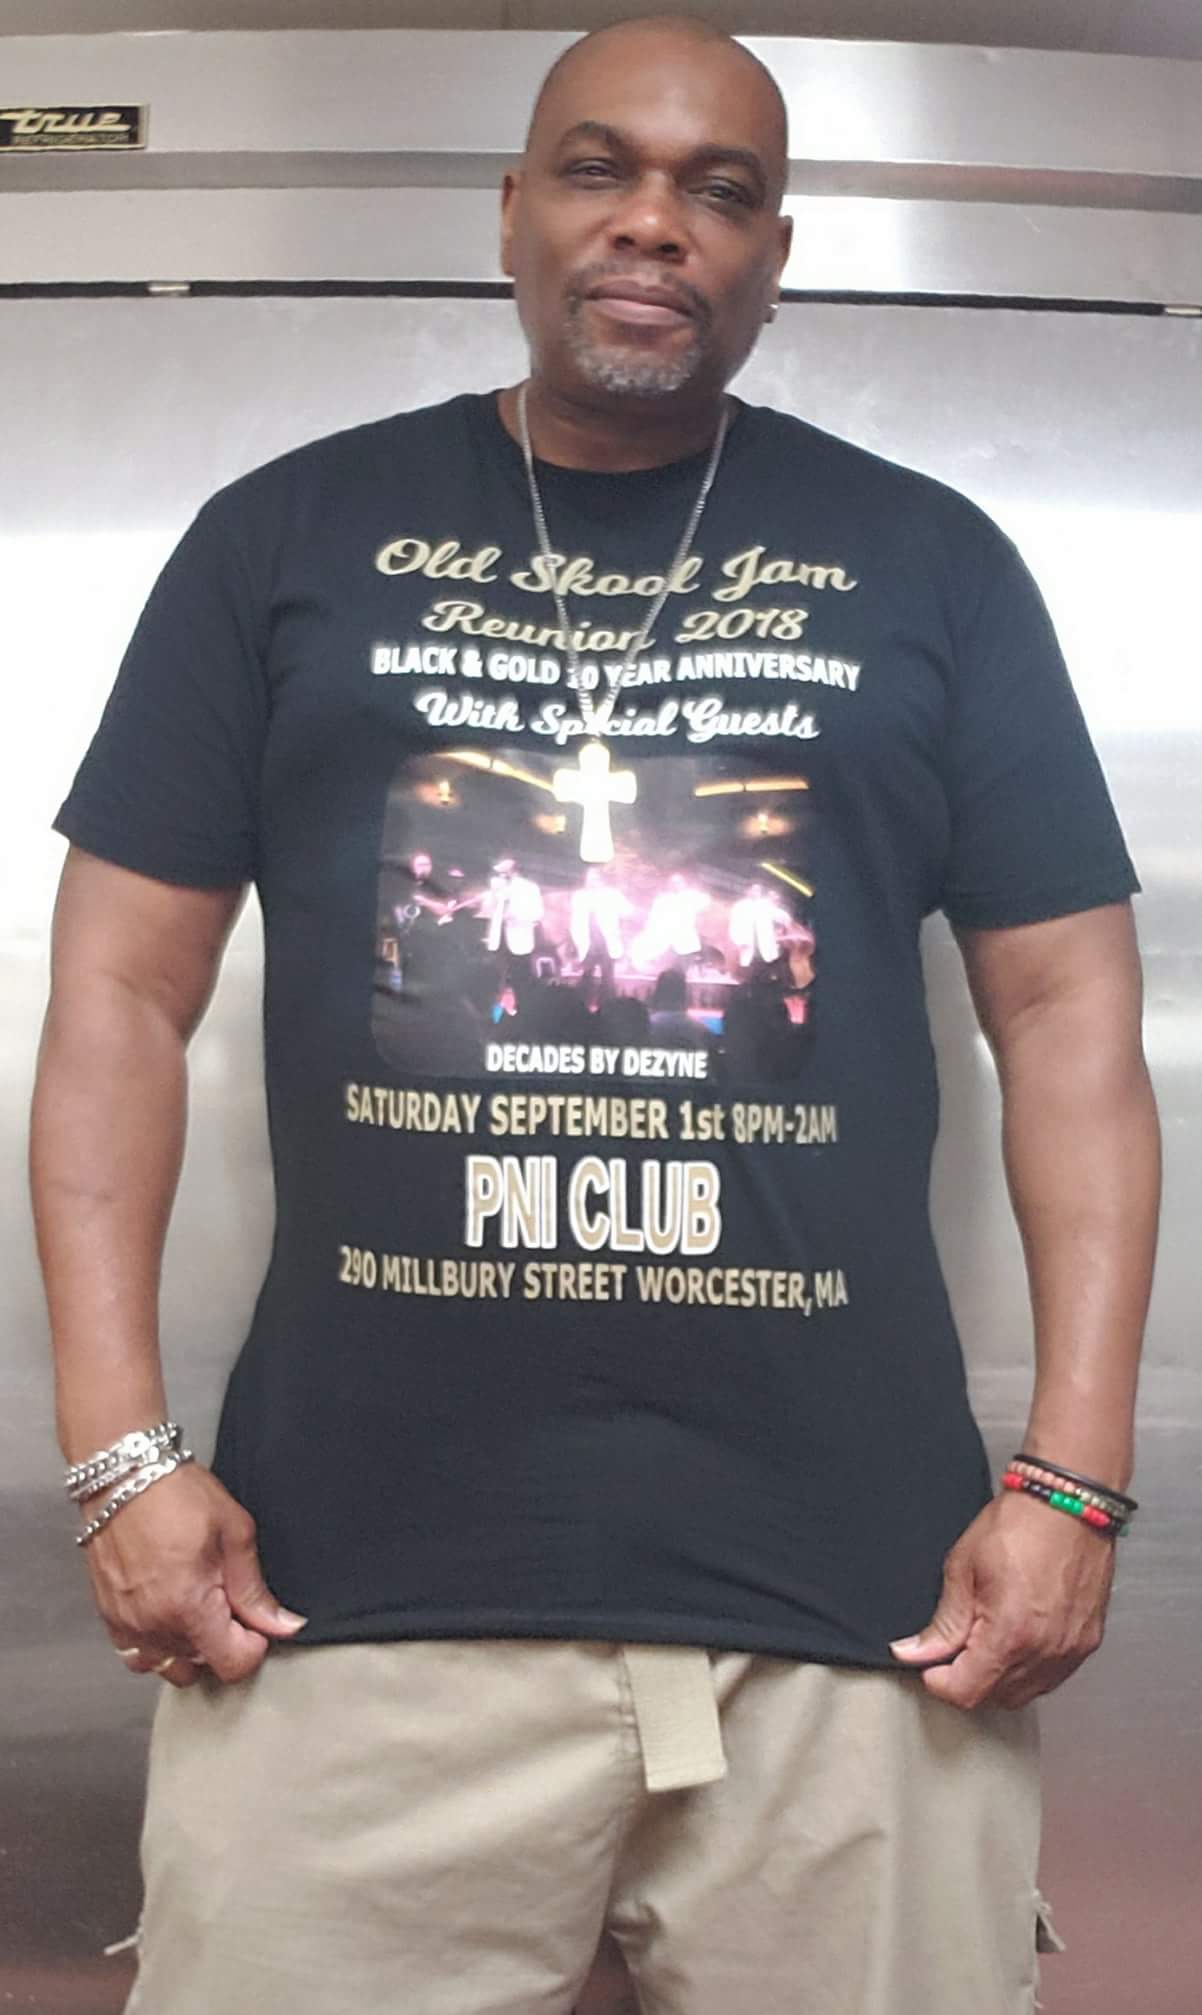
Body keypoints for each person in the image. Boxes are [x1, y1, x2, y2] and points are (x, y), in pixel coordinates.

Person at [31, 17, 1159, 2015]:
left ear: (773, 254)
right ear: (510, 213)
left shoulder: (930, 562)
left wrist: (1067, 1482)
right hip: (337, 1605)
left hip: (866, 1617)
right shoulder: (284, 540)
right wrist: (119, 1459)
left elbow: (1068, 1013)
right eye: (598, 167)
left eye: (720, 190)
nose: (655, 222)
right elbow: (118, 988)